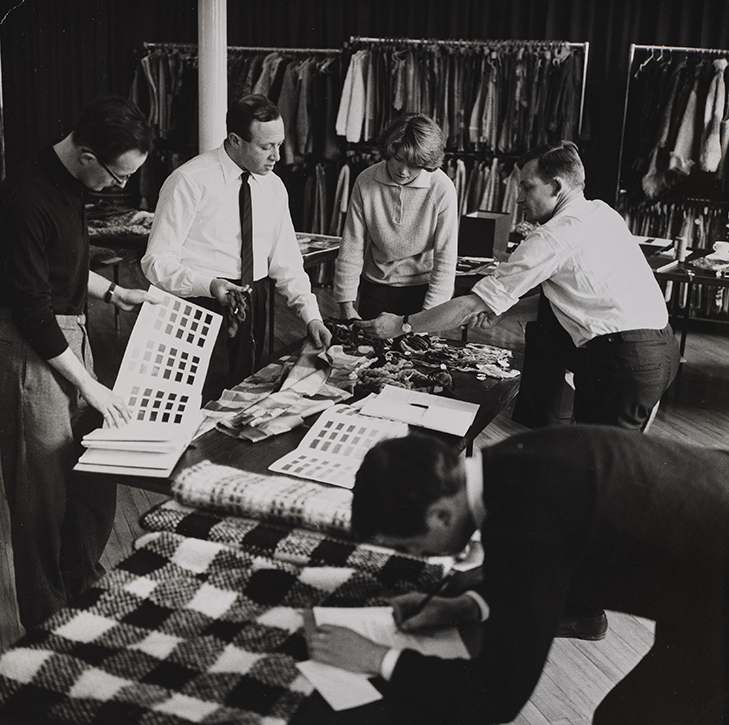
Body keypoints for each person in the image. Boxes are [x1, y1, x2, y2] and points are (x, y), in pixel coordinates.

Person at [307, 431, 729, 725]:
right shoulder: (507, 464)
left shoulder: (524, 522)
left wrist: (377, 657)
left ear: (439, 514)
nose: (416, 557)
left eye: (410, 545)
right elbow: (559, 564)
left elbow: (498, 695)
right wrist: (466, 605)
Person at [357, 140, 680, 431]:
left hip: (624, 361)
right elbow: (573, 298)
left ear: (555, 186)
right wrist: (502, 309)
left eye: (527, 187)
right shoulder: (601, 213)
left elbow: (470, 304)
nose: (519, 198)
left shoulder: (552, 236)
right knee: (606, 466)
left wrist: (402, 325)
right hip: (660, 351)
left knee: (600, 473)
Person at [0, 95, 154, 629]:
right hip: (30, 349)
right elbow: (32, 310)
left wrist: (115, 294)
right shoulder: (25, 196)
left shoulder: (71, 182)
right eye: (117, 177)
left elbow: (65, 265)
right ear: (87, 155)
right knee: (38, 495)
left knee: (92, 475)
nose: (118, 187)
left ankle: (84, 594)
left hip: (69, 335)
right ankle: (47, 625)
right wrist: (89, 383)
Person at [142, 94, 331, 386]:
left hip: (252, 302)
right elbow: (156, 262)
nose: (277, 156)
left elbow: (287, 262)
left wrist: (312, 316)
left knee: (242, 391)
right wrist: (210, 285)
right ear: (235, 140)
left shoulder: (274, 186)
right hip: (197, 303)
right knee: (188, 394)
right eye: (266, 147)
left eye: (279, 145)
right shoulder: (188, 180)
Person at [333, 113, 459, 321]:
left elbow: (445, 257)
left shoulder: (442, 188)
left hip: (423, 289)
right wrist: (346, 304)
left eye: (414, 164)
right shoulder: (365, 181)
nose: (403, 171)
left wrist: (427, 318)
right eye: (398, 159)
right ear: (388, 152)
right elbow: (352, 245)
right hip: (376, 286)